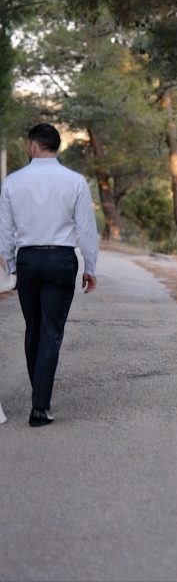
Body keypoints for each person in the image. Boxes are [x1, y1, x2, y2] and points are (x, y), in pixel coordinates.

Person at [0, 123, 98, 427]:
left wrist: (11, 266)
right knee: (51, 332)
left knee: (34, 329)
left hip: (28, 261)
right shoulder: (76, 181)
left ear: (33, 146)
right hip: (61, 260)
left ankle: (39, 396)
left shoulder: (13, 181)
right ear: (56, 146)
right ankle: (40, 407)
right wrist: (90, 267)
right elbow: (86, 228)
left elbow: (5, 230)